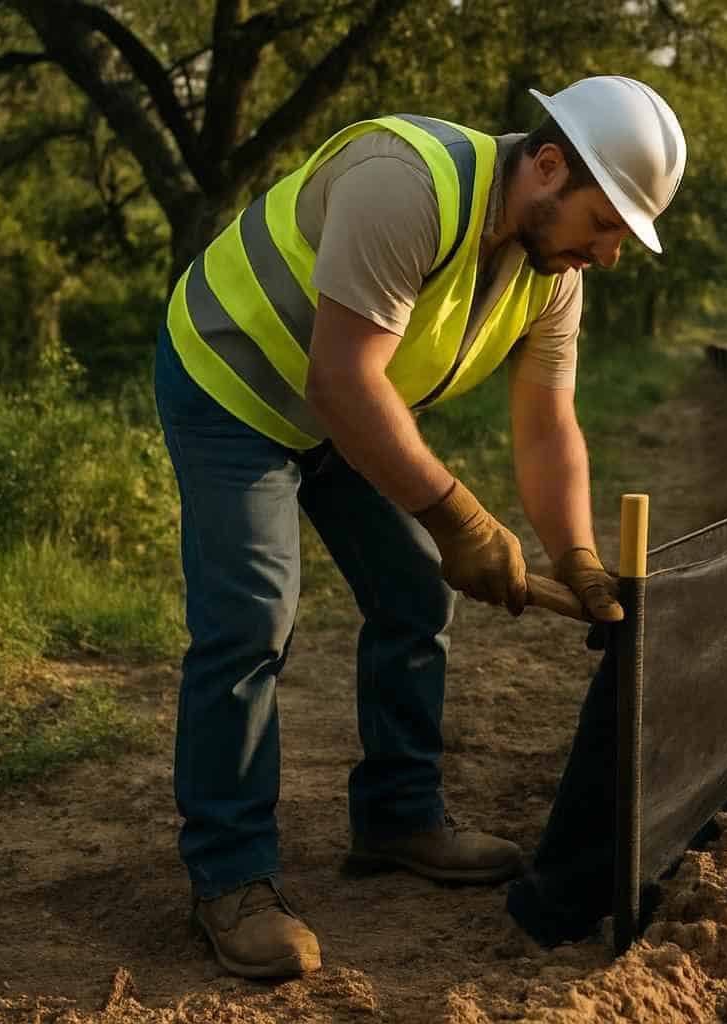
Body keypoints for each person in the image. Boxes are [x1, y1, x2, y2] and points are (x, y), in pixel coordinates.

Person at [152, 75, 686, 979]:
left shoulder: (550, 272)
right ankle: (230, 875)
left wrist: (580, 557)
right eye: (605, 224)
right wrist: (459, 517)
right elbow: (343, 381)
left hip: (343, 408)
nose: (610, 252)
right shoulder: (406, 181)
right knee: (251, 617)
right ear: (548, 165)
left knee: (409, 591)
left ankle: (398, 817)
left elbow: (548, 424)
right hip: (233, 384)